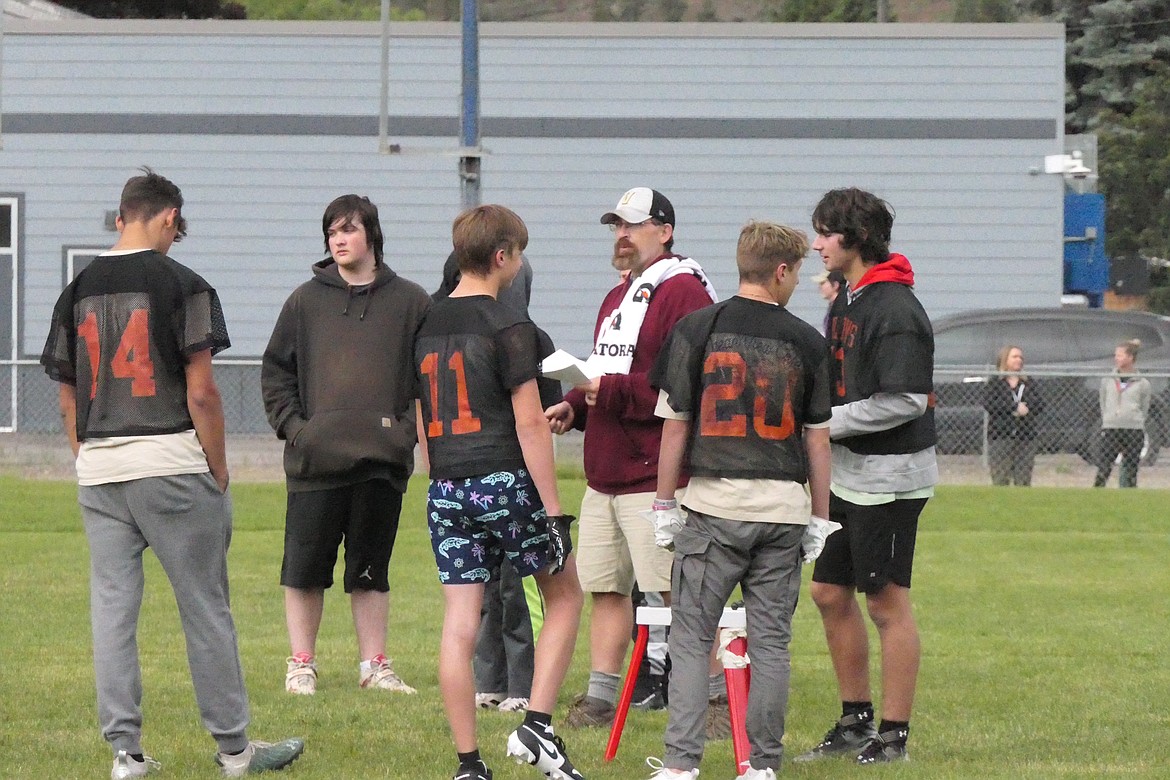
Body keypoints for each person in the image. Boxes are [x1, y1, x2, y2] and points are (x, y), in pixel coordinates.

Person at [40, 168, 304, 779]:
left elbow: (65, 396)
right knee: (205, 607)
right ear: (166, 218)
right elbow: (203, 391)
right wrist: (218, 465)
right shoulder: (184, 284)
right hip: (169, 461)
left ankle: (125, 754)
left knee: (112, 610)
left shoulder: (75, 289)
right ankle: (234, 749)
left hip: (101, 467)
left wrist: (87, 456)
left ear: (118, 218)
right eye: (175, 228)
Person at [643, 221, 836, 780]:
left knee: (690, 637)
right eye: (797, 271)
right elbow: (817, 437)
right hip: (782, 510)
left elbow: (674, 426)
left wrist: (662, 503)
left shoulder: (698, 328)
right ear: (781, 270)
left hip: (713, 507)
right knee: (771, 643)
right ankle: (761, 766)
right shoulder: (807, 341)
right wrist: (820, 516)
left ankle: (681, 765)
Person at [413, 204, 586, 780]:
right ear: (503, 256)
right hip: (505, 478)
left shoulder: (425, 325)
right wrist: (555, 509)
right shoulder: (513, 328)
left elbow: (422, 416)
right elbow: (531, 422)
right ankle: (538, 725)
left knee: (460, 620)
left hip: (446, 484)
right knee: (564, 596)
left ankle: (468, 763)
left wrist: (438, 475)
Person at [543, 187, 717, 730]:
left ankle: (714, 699)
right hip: (607, 472)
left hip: (654, 474)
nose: (621, 235)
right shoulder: (621, 294)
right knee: (606, 588)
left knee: (677, 590)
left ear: (664, 231)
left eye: (633, 225)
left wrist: (607, 394)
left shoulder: (684, 293)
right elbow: (603, 368)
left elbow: (685, 386)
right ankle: (600, 698)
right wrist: (575, 403)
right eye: (615, 225)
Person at [262, 194, 430, 696]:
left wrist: (406, 432)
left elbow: (428, 379)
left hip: (381, 463)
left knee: (370, 572)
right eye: (332, 231)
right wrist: (298, 430)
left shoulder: (412, 302)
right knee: (304, 570)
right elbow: (276, 373)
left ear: (371, 235)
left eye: (349, 229)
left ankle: (374, 665)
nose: (339, 239)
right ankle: (301, 664)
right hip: (315, 464)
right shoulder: (304, 300)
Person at [795, 187, 937, 766]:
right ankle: (855, 721)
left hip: (890, 476)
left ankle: (894, 736)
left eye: (826, 232)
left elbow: (906, 399)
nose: (816, 243)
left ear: (854, 237)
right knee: (829, 592)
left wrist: (826, 423)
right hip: (849, 473)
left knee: (885, 603)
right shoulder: (847, 299)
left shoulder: (895, 306)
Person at [436, 248, 554, 713]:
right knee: (482, 590)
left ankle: (524, 684)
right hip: (495, 476)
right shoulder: (458, 331)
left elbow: (540, 411)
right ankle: (489, 679)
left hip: (493, 476)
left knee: (517, 590)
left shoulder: (526, 336)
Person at [981, 345, 1043, 486]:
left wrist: (1027, 408)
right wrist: (1013, 407)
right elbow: (989, 403)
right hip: (1001, 436)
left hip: (1025, 437)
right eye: (1014, 357)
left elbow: (1039, 403)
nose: (1019, 360)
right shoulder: (995, 383)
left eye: (1020, 357)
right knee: (1000, 478)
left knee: (1023, 480)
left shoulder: (1028, 382)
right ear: (1005, 360)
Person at [1093, 339, 1151, 488]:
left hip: (1133, 429)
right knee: (1104, 466)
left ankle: (1129, 494)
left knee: (1131, 468)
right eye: (1116, 355)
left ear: (1130, 358)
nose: (1116, 358)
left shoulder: (1143, 383)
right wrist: (1109, 418)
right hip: (1111, 428)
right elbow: (1103, 401)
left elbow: (1144, 406)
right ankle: (1096, 493)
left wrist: (1135, 419)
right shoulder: (1108, 380)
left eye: (1120, 355)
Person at [812, 269, 846, 335]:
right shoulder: (833, 307)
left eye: (822, 283)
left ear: (835, 285)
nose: (819, 287)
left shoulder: (840, 309)